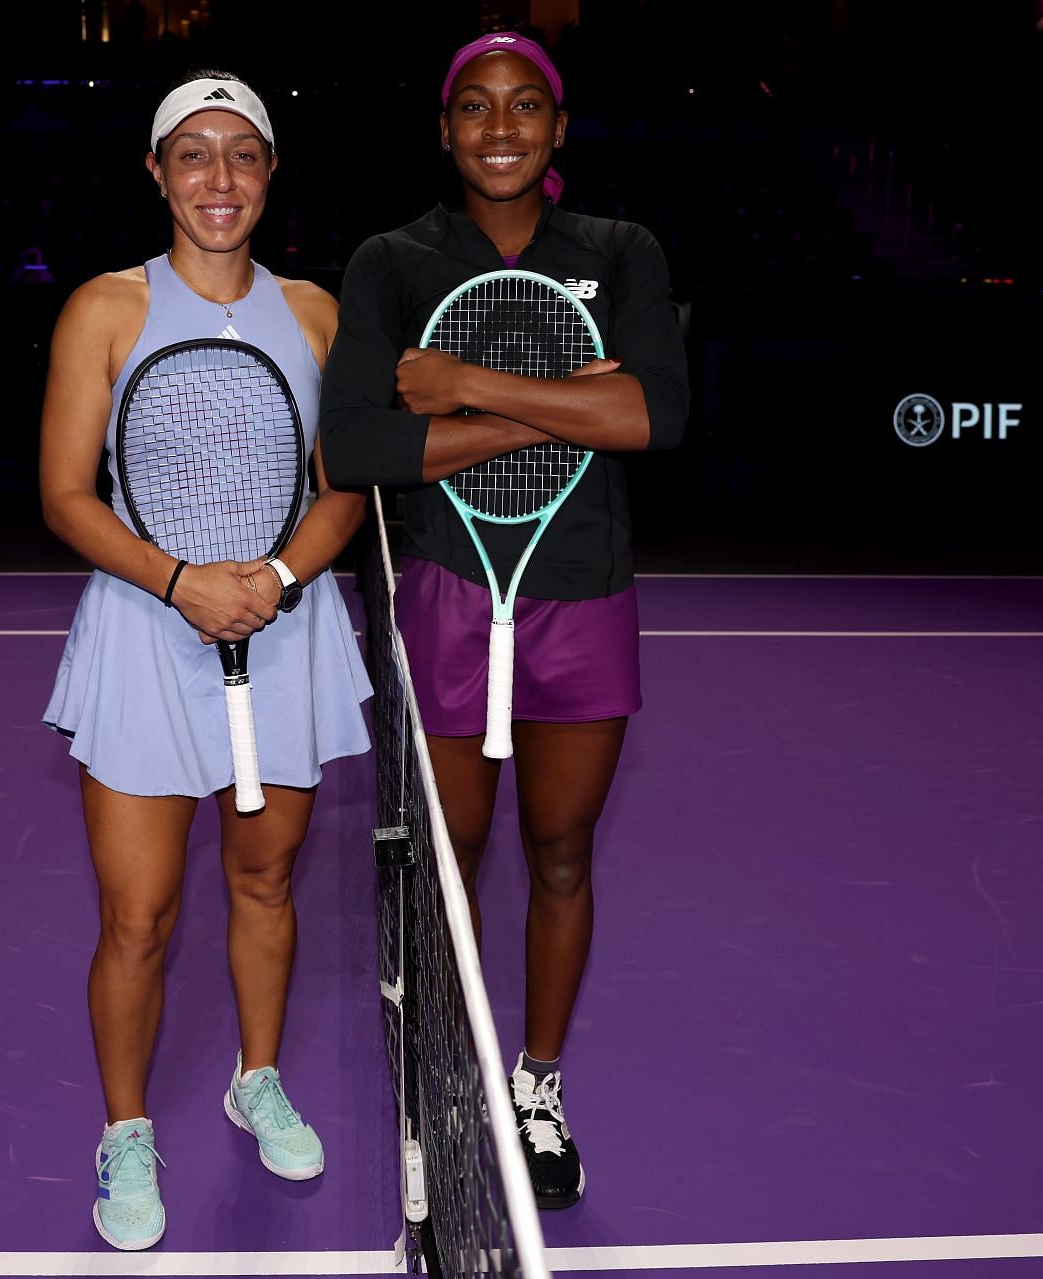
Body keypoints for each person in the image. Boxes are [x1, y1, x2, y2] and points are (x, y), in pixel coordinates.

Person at [319, 32, 688, 1210]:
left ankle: (536, 1083)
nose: (500, 126)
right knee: (450, 860)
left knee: (563, 852)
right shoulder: (391, 261)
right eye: (474, 107)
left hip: (584, 591)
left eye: (526, 105)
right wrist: (579, 409)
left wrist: (469, 388)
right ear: (444, 129)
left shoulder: (621, 252)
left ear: (559, 128)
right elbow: (362, 446)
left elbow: (658, 415)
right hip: (448, 588)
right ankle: (456, 1061)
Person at [39, 71, 371, 1251]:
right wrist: (181, 582)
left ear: (270, 173)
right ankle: (126, 1130)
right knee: (137, 915)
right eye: (192, 154)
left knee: (266, 881)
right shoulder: (104, 311)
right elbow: (66, 496)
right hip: (145, 630)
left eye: (241, 154)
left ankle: (257, 1074)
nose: (217, 178)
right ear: (155, 172)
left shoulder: (320, 314)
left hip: (284, 632)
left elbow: (345, 492)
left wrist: (272, 582)